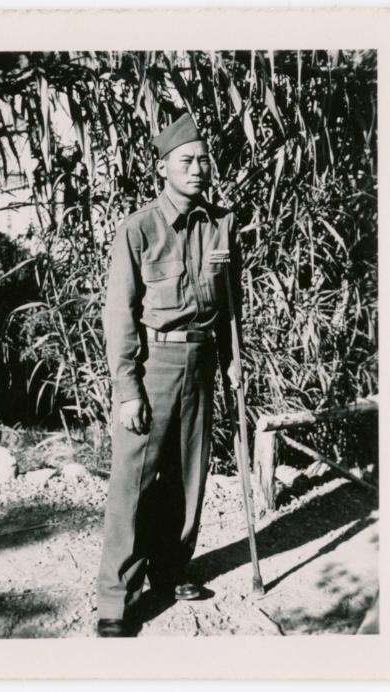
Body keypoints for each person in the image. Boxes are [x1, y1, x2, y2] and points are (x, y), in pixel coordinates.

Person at [96, 112, 242, 637]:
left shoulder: (222, 223)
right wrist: (126, 390)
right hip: (153, 364)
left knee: (189, 476)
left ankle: (171, 571)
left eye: (204, 159)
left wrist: (233, 366)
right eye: (187, 161)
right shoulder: (138, 228)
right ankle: (114, 600)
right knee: (132, 483)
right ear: (163, 168)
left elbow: (231, 307)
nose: (199, 168)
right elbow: (119, 314)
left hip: (201, 364)